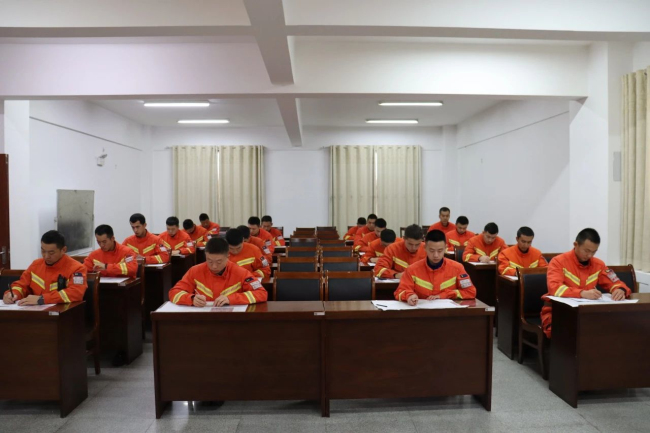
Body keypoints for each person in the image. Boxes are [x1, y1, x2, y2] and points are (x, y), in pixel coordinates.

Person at [541, 228, 631, 338]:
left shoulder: (598, 264)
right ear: (576, 245)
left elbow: (615, 282)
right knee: (567, 335)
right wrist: (582, 293)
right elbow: (555, 288)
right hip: (558, 311)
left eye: (594, 252)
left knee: (610, 331)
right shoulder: (558, 262)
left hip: (587, 312)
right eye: (586, 251)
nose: (589, 255)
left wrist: (620, 289)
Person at [168, 237, 268, 306]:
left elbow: (262, 293)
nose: (214, 266)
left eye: (219, 262)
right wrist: (191, 299)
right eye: (209, 261)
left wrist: (231, 299)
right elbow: (174, 292)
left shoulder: (240, 273)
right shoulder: (195, 271)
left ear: (228, 256)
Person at [3, 230, 87, 305]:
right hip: (35, 312)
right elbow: (22, 285)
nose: (46, 256)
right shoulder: (36, 265)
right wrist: (13, 294)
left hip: (62, 313)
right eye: (43, 251)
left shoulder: (77, 268)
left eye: (51, 253)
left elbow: (76, 293)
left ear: (63, 250)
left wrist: (42, 299)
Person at [395, 230, 476, 305]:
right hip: (421, 312)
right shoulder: (412, 270)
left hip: (448, 313)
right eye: (432, 250)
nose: (436, 255)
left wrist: (445, 295)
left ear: (445, 248)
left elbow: (470, 292)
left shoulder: (457, 268)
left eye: (440, 251)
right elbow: (400, 291)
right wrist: (409, 296)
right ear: (425, 248)